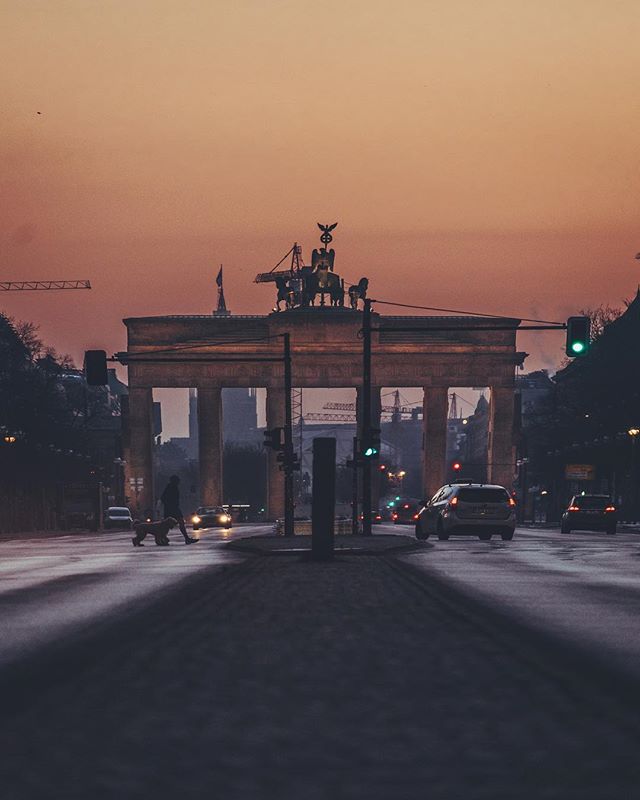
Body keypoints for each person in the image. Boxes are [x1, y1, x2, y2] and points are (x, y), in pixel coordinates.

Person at [160, 475, 197, 544]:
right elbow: (163, 498)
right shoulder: (171, 487)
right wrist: (170, 504)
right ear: (174, 481)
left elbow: (163, 498)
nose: (179, 482)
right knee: (171, 525)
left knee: (169, 525)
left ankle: (163, 539)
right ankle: (163, 539)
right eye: (178, 480)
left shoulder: (172, 487)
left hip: (171, 508)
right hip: (172, 509)